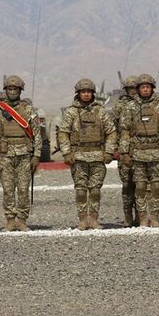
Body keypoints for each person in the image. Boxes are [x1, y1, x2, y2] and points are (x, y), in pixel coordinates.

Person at [58, 78, 117, 229]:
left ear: (93, 94)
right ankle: (83, 219)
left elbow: (111, 132)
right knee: (81, 191)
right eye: (83, 92)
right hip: (78, 157)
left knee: (95, 190)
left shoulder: (100, 111)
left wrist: (109, 151)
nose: (86, 94)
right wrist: (66, 153)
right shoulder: (71, 112)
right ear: (78, 93)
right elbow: (63, 133)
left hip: (98, 156)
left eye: (88, 92)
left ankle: (94, 219)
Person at [119, 74, 159, 227]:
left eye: (148, 87)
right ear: (138, 89)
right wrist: (125, 152)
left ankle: (155, 217)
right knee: (140, 186)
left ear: (152, 88)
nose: (145, 89)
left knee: (157, 186)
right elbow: (125, 131)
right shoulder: (130, 107)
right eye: (142, 87)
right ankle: (143, 218)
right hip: (137, 153)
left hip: (157, 152)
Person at [0, 75, 42, 231]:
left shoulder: (29, 110)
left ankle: (22, 220)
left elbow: (37, 134)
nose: (12, 92)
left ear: (20, 90)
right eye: (9, 89)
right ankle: (10, 220)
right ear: (6, 90)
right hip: (5, 156)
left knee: (23, 190)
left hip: (25, 155)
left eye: (15, 89)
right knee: (8, 190)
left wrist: (37, 155)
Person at [114, 75, 138, 226]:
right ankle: (128, 214)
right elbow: (113, 128)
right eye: (131, 88)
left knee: (142, 184)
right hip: (125, 149)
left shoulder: (145, 104)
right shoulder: (119, 106)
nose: (134, 91)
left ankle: (140, 215)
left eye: (136, 88)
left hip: (142, 149)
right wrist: (116, 149)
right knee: (127, 184)